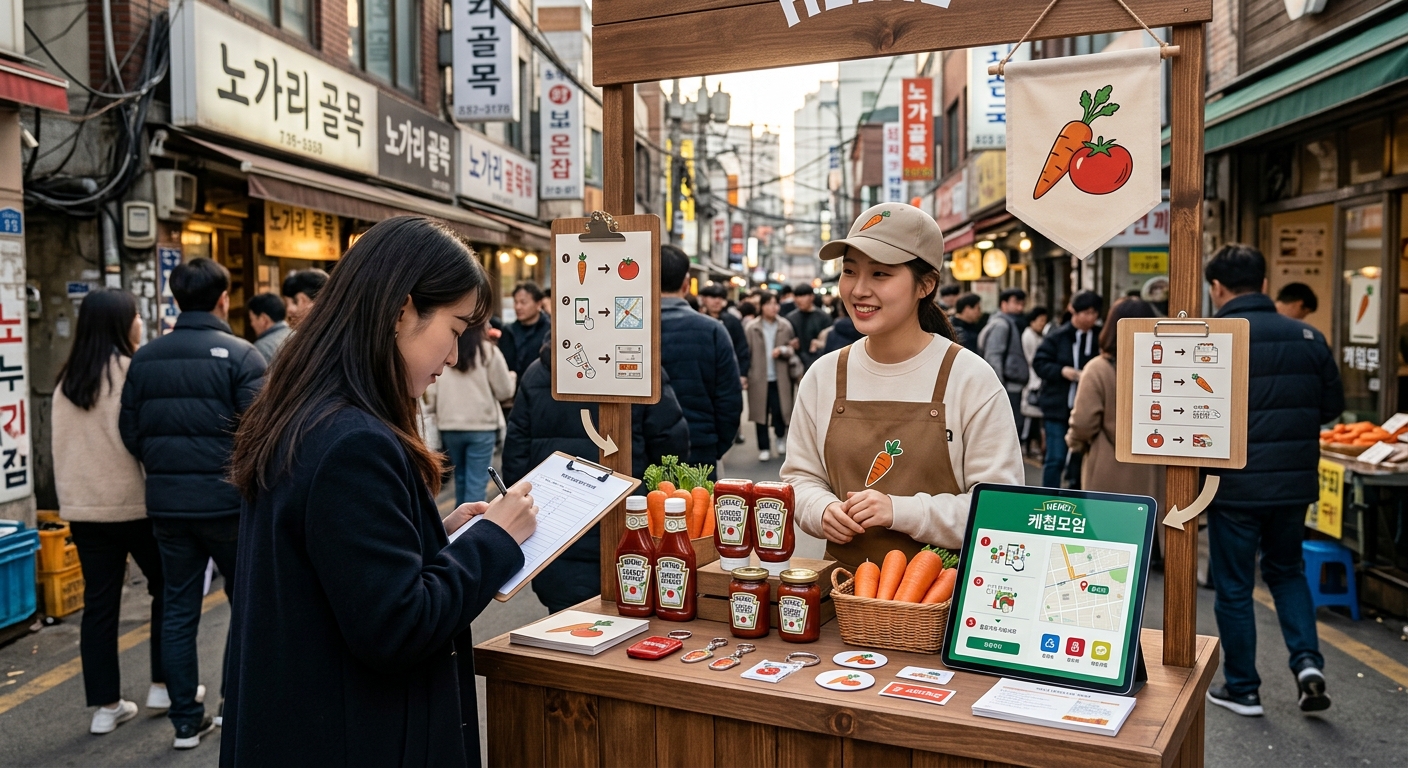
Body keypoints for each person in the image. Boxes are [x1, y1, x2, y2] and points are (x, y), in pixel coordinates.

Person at [222, 217, 539, 767]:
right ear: (400, 312)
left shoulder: (308, 411)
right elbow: (399, 625)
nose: (453, 356)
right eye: (455, 329)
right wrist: (494, 540)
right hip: (352, 735)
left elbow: (344, 570)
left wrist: (433, 537)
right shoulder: (354, 443)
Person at [783, 203, 1024, 571]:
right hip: (842, 590)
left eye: (880, 273)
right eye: (849, 271)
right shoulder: (824, 375)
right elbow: (799, 478)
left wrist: (900, 510)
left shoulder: (970, 378)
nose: (858, 289)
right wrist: (821, 509)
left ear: (925, 285)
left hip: (943, 592)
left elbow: (1001, 508)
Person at [120, 258, 266, 749]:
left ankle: (185, 720)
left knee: (178, 607)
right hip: (229, 503)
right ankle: (231, 704)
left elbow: (130, 431)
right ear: (224, 299)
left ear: (176, 299)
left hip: (168, 505)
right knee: (245, 603)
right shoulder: (242, 355)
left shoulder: (145, 358)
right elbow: (260, 431)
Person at [1200, 244, 1342, 718]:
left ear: (1216, 288)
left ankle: (1243, 688)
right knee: (1287, 572)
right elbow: (1331, 408)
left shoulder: (1212, 337)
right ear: (1264, 283)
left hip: (1233, 487)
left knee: (1235, 587)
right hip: (1293, 486)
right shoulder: (1309, 336)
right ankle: (1307, 664)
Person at [53, 289, 167, 736]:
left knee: (99, 606)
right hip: (136, 505)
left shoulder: (68, 380)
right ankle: (163, 685)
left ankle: (105, 707)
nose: (140, 322)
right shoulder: (133, 371)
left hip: (84, 510)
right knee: (166, 590)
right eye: (136, 315)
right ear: (123, 323)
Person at [506, 339, 691, 613]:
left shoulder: (537, 373)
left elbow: (516, 458)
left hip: (555, 534)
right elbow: (670, 447)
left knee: (565, 623)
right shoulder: (639, 369)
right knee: (633, 612)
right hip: (631, 526)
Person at [1066, 298, 1166, 499]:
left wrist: (1074, 443)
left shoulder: (1098, 369)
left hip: (1108, 471)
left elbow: (1083, 423)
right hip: (1155, 472)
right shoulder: (1164, 369)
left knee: (1108, 519)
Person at [659, 245, 743, 470]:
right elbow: (730, 399)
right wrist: (716, 446)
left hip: (640, 451)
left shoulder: (629, 331)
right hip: (699, 445)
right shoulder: (713, 330)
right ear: (686, 285)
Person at [438, 323, 516, 505]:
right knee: (476, 483)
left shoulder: (445, 349)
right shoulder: (487, 351)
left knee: (461, 480)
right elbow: (504, 391)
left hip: (449, 425)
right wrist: (512, 376)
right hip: (481, 427)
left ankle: (460, 521)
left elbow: (432, 392)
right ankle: (473, 522)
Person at [1031, 291, 1103, 488]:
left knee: (1082, 459)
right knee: (1056, 458)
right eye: (1086, 313)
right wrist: (1062, 371)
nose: (1090, 318)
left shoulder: (1100, 337)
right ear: (1074, 312)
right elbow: (1039, 363)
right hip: (1058, 406)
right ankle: (1048, 498)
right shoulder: (1057, 336)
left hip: (1088, 408)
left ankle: (1077, 495)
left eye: (1094, 313)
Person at [746, 292, 800, 462]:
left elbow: (793, 348)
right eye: (768, 303)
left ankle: (780, 437)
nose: (773, 307)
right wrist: (745, 375)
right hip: (758, 377)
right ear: (761, 306)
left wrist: (783, 350)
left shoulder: (785, 325)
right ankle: (764, 447)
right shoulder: (752, 327)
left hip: (781, 376)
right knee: (760, 414)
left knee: (780, 410)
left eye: (775, 303)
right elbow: (746, 353)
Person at [978, 287, 1029, 429]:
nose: (1020, 307)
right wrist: (998, 388)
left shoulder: (1010, 323)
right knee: (1010, 426)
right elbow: (993, 357)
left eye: (1022, 304)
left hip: (1012, 384)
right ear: (1004, 304)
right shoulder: (1001, 325)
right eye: (1016, 303)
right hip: (1007, 385)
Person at [497, 281, 550, 381]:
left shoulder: (549, 330)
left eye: (523, 302)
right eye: (515, 302)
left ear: (538, 304)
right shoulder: (508, 330)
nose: (518, 307)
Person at [699, 282, 750, 376]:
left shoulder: (732, 321)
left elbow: (741, 349)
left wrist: (742, 373)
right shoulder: (698, 321)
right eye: (713, 297)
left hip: (728, 372)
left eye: (720, 298)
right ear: (704, 299)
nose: (717, 301)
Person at [1019, 306, 1050, 456]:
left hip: (1037, 380)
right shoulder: (1029, 336)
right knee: (1030, 417)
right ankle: (1026, 443)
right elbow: (1032, 359)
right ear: (1032, 321)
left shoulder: (1039, 335)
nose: (1042, 324)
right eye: (1040, 320)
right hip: (1033, 380)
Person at [785, 283, 834, 371]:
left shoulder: (824, 317)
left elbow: (831, 340)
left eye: (803, 296)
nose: (800, 300)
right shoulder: (790, 318)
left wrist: (820, 344)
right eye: (797, 297)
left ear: (812, 297)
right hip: (797, 364)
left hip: (819, 362)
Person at [246, 292, 291, 363]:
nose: (251, 324)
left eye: (252, 320)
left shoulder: (261, 348)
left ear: (264, 320)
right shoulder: (299, 335)